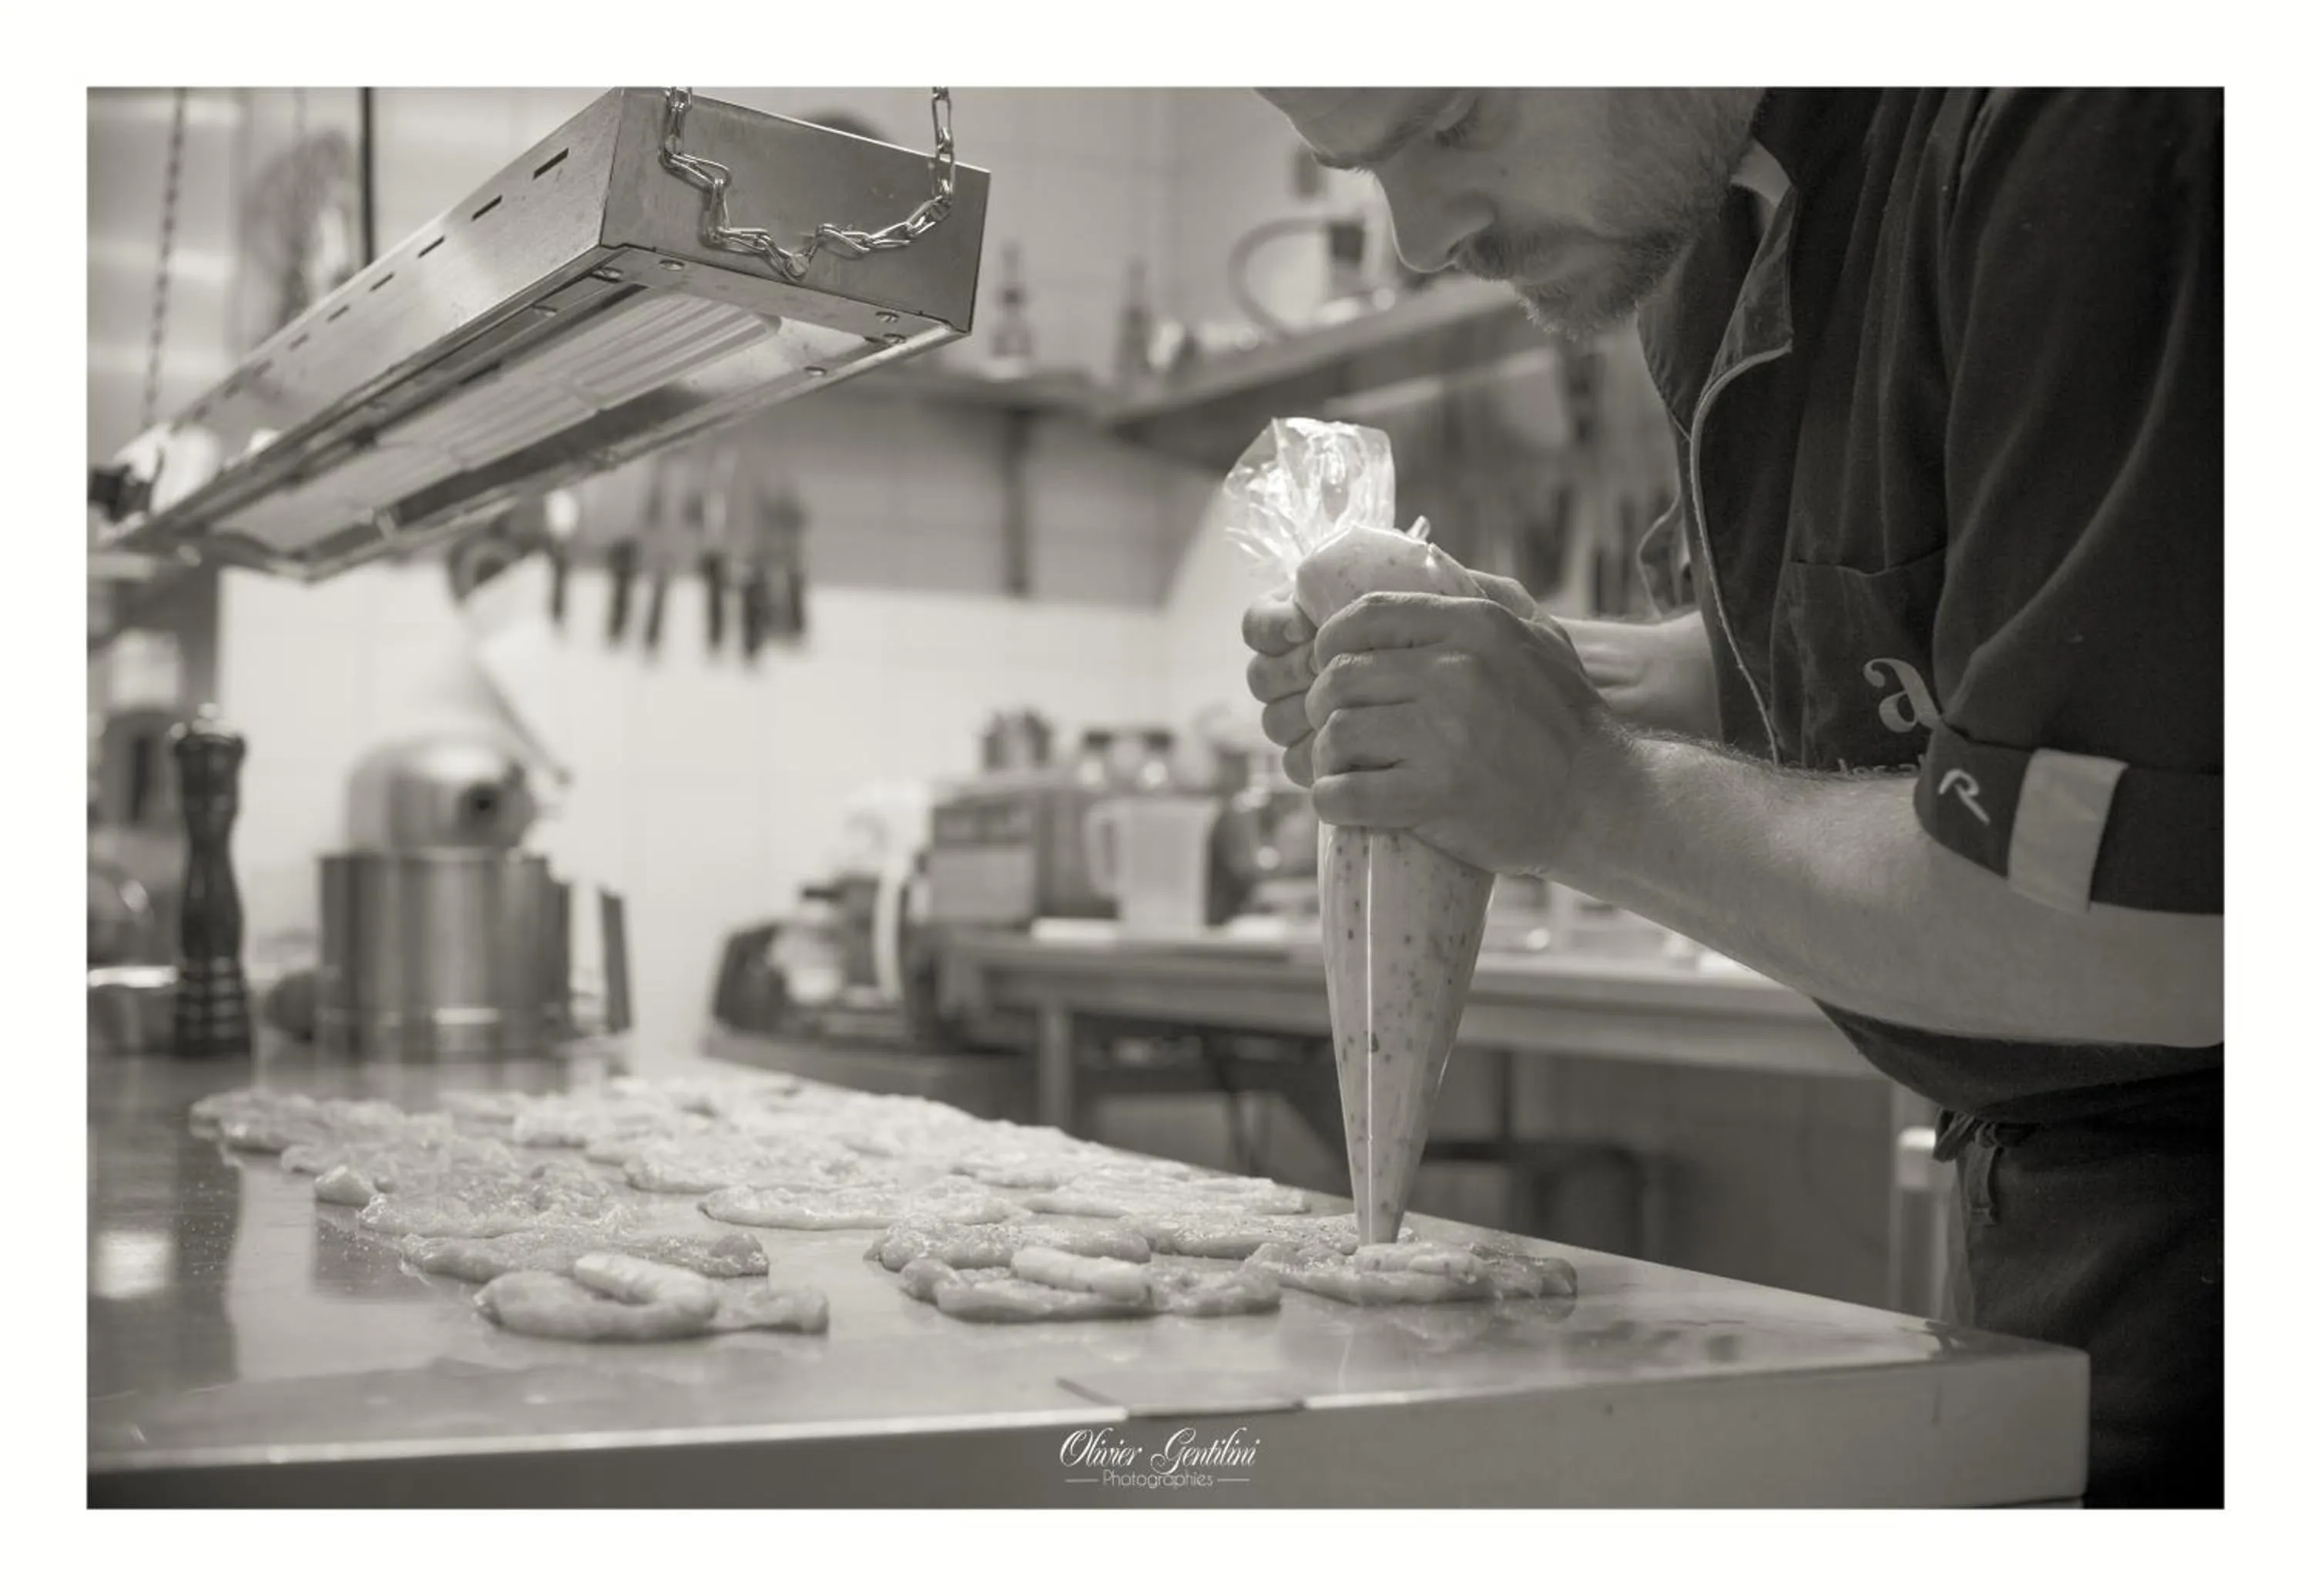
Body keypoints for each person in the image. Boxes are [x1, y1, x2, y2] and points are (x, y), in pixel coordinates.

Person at [1241, 89, 2220, 1507]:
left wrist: (1578, 789)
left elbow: (2160, 930)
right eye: (1355, 167)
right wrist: (1490, 678)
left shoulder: (2089, 125)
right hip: (2059, 1201)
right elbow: (1826, 659)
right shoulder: (1706, 233)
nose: (1420, 236)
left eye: (1454, 121)